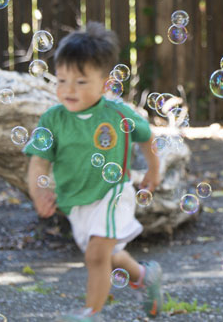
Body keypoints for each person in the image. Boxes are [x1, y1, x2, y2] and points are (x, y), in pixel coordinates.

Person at [24, 23, 163, 322]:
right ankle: (144, 276)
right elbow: (38, 162)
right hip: (76, 200)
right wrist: (40, 190)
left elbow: (146, 135)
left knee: (96, 255)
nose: (69, 89)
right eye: (62, 79)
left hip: (111, 193)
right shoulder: (52, 119)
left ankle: (92, 314)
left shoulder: (116, 113)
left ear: (105, 82)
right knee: (109, 256)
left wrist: (153, 170)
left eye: (81, 81)